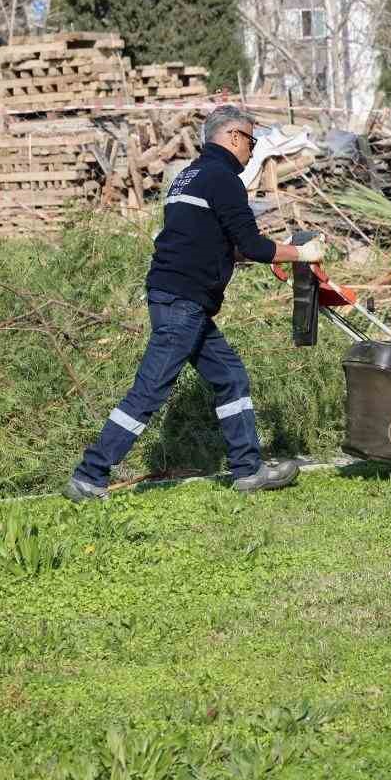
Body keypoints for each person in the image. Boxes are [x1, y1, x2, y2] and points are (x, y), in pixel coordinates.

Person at [65, 105, 327, 502]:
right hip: (183, 302)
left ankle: (248, 469)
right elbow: (254, 245)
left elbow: (212, 242)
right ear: (234, 137)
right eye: (252, 142)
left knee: (230, 377)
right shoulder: (223, 179)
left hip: (178, 298)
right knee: (150, 389)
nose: (252, 151)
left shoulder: (188, 176)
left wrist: (272, 256)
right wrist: (299, 254)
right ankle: (90, 475)